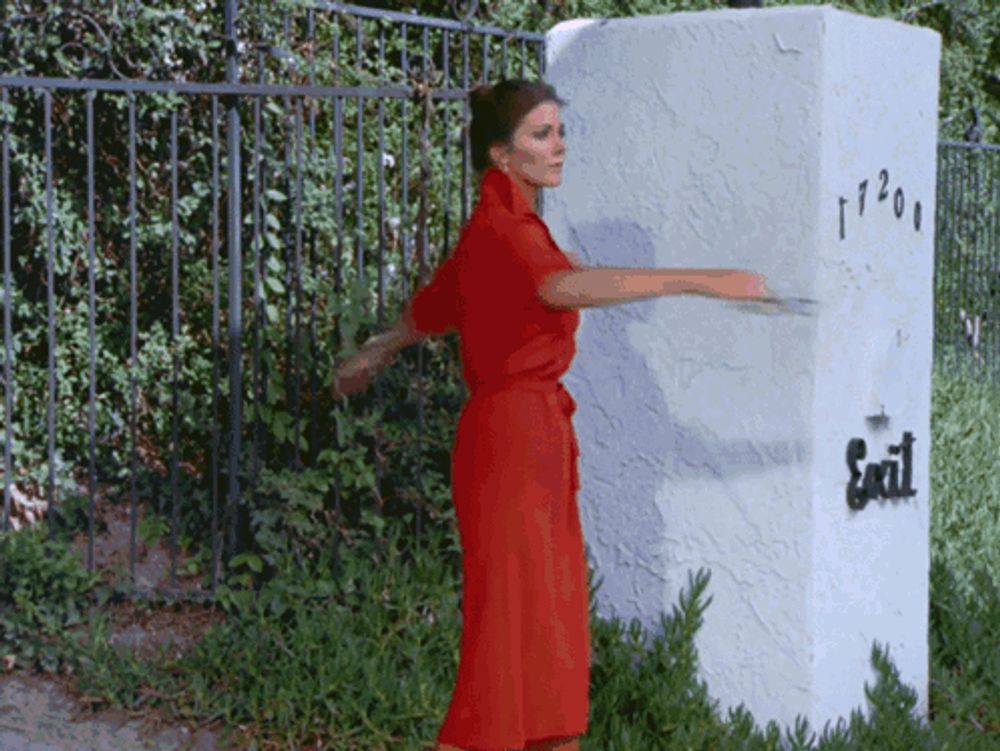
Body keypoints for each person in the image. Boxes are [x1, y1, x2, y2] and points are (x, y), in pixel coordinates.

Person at [331, 79, 770, 751]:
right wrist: (704, 280)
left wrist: (372, 354)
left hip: (531, 444)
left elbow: (432, 307)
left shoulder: (503, 228)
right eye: (542, 134)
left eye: (560, 130)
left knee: (547, 631)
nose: (559, 145)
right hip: (508, 448)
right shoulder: (505, 230)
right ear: (503, 156)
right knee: (505, 637)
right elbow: (559, 286)